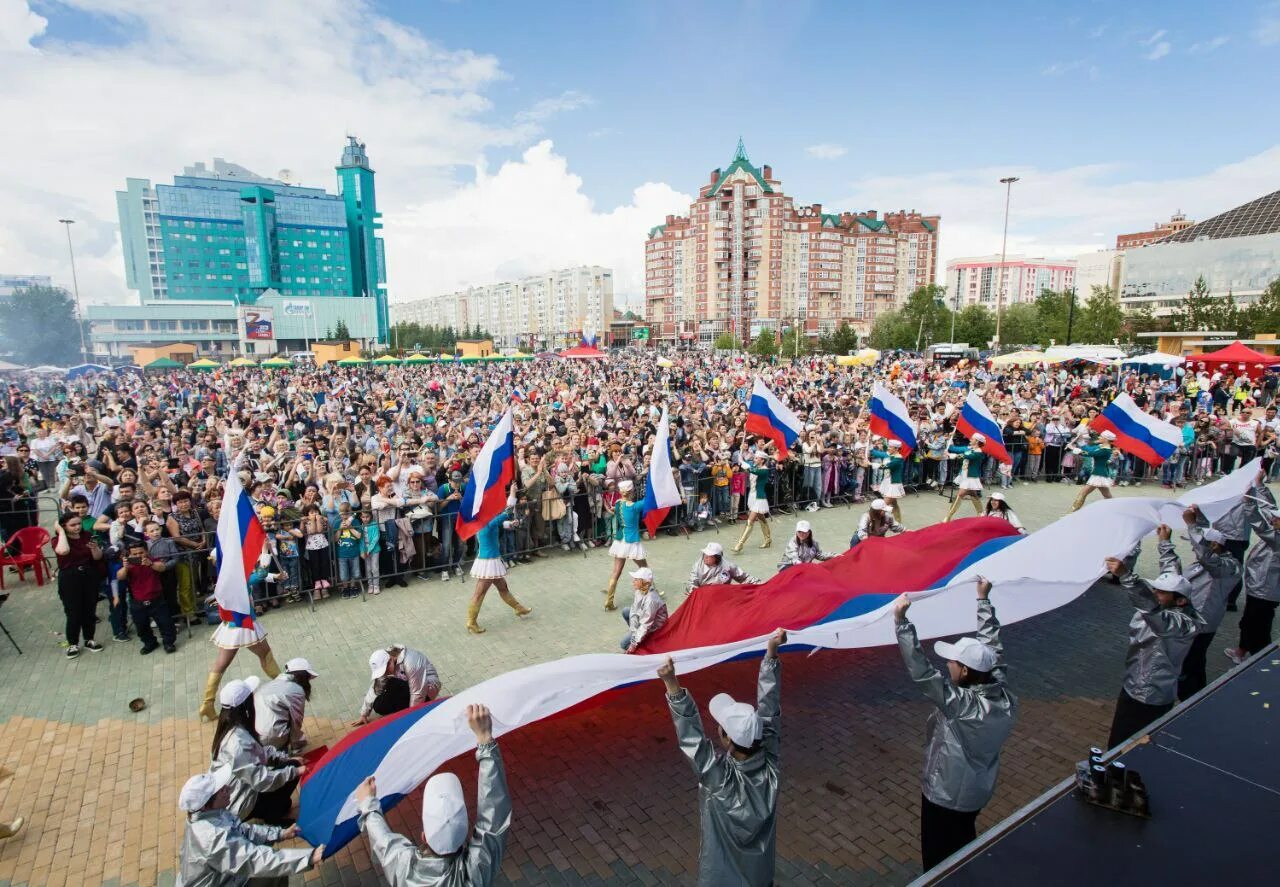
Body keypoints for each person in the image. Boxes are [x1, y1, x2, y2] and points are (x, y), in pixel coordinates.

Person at [893, 578, 1016, 872]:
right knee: (962, 844)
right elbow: (991, 649)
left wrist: (901, 622)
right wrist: (983, 600)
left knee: (938, 860)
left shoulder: (961, 705)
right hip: (974, 794)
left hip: (945, 796)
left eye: (951, 662)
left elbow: (922, 673)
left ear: (964, 670)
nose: (946, 665)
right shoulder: (1000, 691)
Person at [657, 627, 786, 887]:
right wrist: (771, 654)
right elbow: (769, 713)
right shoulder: (770, 764)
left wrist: (672, 685)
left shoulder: (720, 781)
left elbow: (691, 740)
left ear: (727, 739)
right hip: (760, 878)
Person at [355, 703, 511, 886]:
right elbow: (493, 819)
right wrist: (485, 739)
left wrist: (368, 803)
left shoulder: (404, 869)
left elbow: (382, 840)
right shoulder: (476, 874)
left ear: (423, 836)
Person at [1105, 553, 1203, 749]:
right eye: (1155, 589)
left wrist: (1126, 576)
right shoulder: (1167, 610)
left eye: (1161, 592)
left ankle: (1117, 776)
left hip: (1147, 696)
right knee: (1120, 739)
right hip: (1134, 685)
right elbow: (1170, 571)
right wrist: (1165, 542)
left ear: (1181, 601)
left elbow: (1153, 612)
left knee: (1125, 746)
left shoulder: (1181, 624)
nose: (1154, 594)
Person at [176, 763, 322, 885]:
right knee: (272, 876)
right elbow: (253, 860)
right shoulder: (210, 837)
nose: (228, 789)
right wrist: (308, 857)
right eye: (221, 790)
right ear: (205, 805)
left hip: (224, 878)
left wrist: (280, 833)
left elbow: (242, 830)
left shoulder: (213, 813)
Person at [1158, 508, 1238, 700]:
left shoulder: (1229, 567)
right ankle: (1191, 696)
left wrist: (1192, 525)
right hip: (1189, 622)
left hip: (1200, 626)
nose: (1194, 549)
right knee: (1189, 663)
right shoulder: (1201, 564)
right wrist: (1164, 543)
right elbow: (1174, 578)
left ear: (1215, 546)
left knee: (1191, 664)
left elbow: (1208, 560)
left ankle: (1191, 701)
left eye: (1199, 545)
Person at [211, 678, 305, 826]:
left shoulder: (231, 729)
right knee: (291, 770)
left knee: (290, 764)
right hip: (238, 803)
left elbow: (260, 752)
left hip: (237, 791)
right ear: (245, 705)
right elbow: (261, 781)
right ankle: (273, 815)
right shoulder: (237, 743)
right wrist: (294, 771)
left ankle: (271, 808)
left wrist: (282, 759)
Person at [1225, 475, 1280, 663]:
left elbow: (1261, 526)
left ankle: (1261, 662)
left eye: (1278, 519)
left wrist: (1248, 503)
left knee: (1258, 628)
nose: (1274, 519)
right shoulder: (1277, 532)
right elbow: (1269, 509)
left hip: (1265, 591)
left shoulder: (1277, 538)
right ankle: (1241, 652)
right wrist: (1259, 485)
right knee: (1249, 622)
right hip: (1259, 587)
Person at [466, 492, 532, 634]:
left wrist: (510, 524)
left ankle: (518, 608)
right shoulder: (485, 522)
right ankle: (471, 621)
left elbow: (499, 523)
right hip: (488, 562)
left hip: (492, 560)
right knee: (479, 593)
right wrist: (513, 494)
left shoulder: (485, 521)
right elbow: (506, 513)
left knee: (503, 587)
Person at [53, 510, 104, 659]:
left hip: (88, 575)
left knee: (89, 609)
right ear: (64, 526)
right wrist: (61, 533)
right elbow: (63, 551)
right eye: (72, 525)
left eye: (78, 524)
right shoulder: (58, 540)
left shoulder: (87, 536)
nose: (77, 527)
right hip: (70, 578)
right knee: (73, 612)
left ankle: (89, 639)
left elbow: (97, 557)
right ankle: (72, 643)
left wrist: (95, 548)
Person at [355, 644, 443, 725]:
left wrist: (411, 720)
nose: (384, 673)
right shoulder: (387, 659)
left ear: (390, 660)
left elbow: (418, 694)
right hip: (407, 683)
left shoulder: (411, 662)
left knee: (395, 688)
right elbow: (377, 687)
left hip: (427, 687)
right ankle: (405, 709)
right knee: (379, 706)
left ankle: (415, 711)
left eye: (385, 670)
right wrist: (364, 714)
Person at [118, 539, 176, 655]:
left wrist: (150, 564)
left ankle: (168, 643)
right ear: (129, 554)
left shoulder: (152, 561)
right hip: (137, 602)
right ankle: (150, 643)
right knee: (141, 627)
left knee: (166, 623)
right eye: (135, 554)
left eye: (141, 553)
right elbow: (120, 576)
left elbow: (162, 567)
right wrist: (125, 567)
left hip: (157, 599)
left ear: (146, 552)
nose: (138, 556)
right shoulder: (128, 566)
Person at [254, 658, 319, 754]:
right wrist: (297, 744)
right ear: (303, 677)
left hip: (254, 735)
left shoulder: (268, 686)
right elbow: (296, 720)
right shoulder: (296, 691)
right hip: (271, 736)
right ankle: (280, 753)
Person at [603, 479, 648, 611]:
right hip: (632, 541)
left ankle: (609, 601)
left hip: (620, 540)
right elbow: (650, 500)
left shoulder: (617, 504)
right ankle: (650, 593)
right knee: (644, 568)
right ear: (630, 492)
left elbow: (615, 510)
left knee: (616, 572)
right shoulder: (634, 506)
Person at [731, 452, 775, 552]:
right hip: (752, 496)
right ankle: (768, 539)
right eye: (754, 458)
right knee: (761, 518)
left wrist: (743, 463)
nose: (754, 459)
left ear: (762, 460)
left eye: (756, 458)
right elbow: (748, 464)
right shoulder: (755, 465)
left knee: (750, 520)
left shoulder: (764, 470)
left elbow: (752, 470)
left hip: (759, 497)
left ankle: (740, 544)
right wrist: (740, 458)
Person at [620, 567, 668, 652]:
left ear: (644, 582)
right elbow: (634, 612)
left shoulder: (651, 599)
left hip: (654, 628)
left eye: (636, 579)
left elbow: (646, 625)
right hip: (644, 620)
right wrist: (634, 631)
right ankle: (637, 637)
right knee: (626, 611)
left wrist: (633, 644)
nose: (633, 581)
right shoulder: (639, 591)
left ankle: (639, 646)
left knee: (623, 644)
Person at [1068, 430, 1117, 512]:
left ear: (1106, 439)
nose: (1099, 437)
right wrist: (1081, 440)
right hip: (1100, 473)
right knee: (1107, 496)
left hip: (1099, 474)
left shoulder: (1106, 450)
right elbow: (1089, 448)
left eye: (1101, 436)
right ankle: (1115, 510)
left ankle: (1072, 512)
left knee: (1083, 493)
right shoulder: (1101, 446)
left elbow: (1089, 453)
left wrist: (1073, 448)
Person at [687, 541, 759, 594]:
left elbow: (744, 577)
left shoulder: (728, 566)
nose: (706, 557)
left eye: (710, 556)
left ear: (717, 558)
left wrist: (761, 584)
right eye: (705, 554)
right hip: (705, 596)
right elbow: (692, 583)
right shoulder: (697, 566)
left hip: (722, 596)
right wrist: (693, 591)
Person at [944, 434, 986, 522]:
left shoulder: (979, 452)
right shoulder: (969, 448)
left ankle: (948, 517)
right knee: (973, 494)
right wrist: (950, 440)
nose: (970, 439)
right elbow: (954, 448)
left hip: (970, 477)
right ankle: (981, 513)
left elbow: (965, 456)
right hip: (964, 475)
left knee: (960, 494)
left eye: (972, 438)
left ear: (977, 441)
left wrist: (951, 455)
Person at [869, 438, 907, 523]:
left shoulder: (898, 458)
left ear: (896, 449)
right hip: (887, 482)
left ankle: (874, 523)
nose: (888, 448)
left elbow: (887, 466)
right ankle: (898, 522)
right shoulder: (890, 454)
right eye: (889, 446)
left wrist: (870, 464)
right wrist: (870, 444)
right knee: (894, 505)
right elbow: (876, 453)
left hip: (893, 484)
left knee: (882, 505)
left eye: (891, 447)